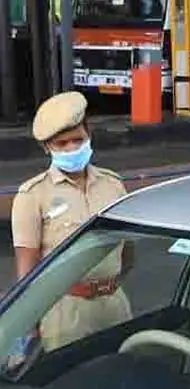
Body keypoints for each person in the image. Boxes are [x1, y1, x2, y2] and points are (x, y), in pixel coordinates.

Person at [11, 91, 133, 352]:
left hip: (114, 305)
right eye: (61, 144)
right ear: (47, 148)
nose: (71, 149)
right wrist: (28, 329)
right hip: (64, 312)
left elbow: (128, 252)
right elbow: (27, 272)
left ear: (89, 135)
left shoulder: (113, 184)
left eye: (77, 140)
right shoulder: (33, 195)